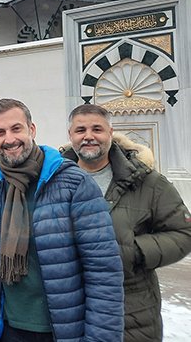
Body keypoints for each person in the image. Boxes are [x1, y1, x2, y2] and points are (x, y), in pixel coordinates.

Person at [0, 98, 124, 342]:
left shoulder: (74, 184)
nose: (9, 139)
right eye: (0, 132)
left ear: (31, 129)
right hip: (5, 328)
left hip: (61, 330)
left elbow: (103, 273)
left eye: (16, 129)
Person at [63, 103, 191, 342]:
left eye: (97, 129)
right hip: (70, 311)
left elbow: (183, 233)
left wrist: (131, 252)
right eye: (80, 130)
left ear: (110, 133)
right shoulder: (55, 180)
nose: (88, 136)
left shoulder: (147, 181)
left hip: (131, 314)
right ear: (70, 136)